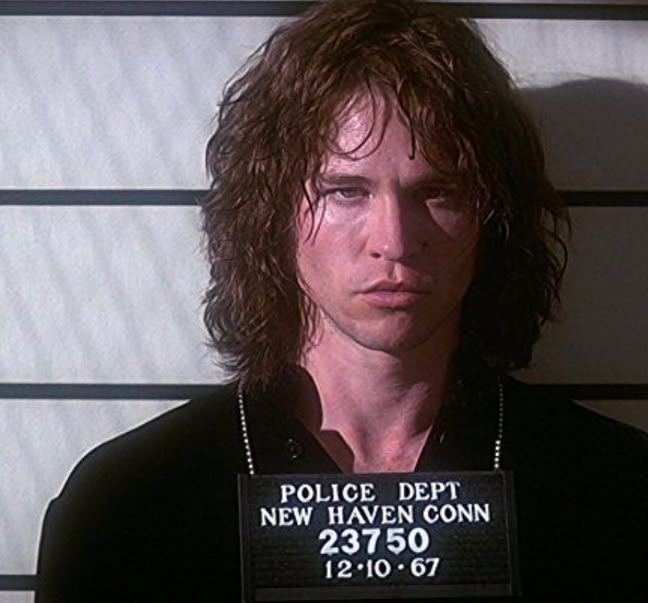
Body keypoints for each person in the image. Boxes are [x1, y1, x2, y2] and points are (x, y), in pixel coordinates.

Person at [37, 0, 646, 601]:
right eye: (346, 191)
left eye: (438, 191)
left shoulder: (613, 491)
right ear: (272, 214)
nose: (394, 242)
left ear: (493, 218)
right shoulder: (133, 505)